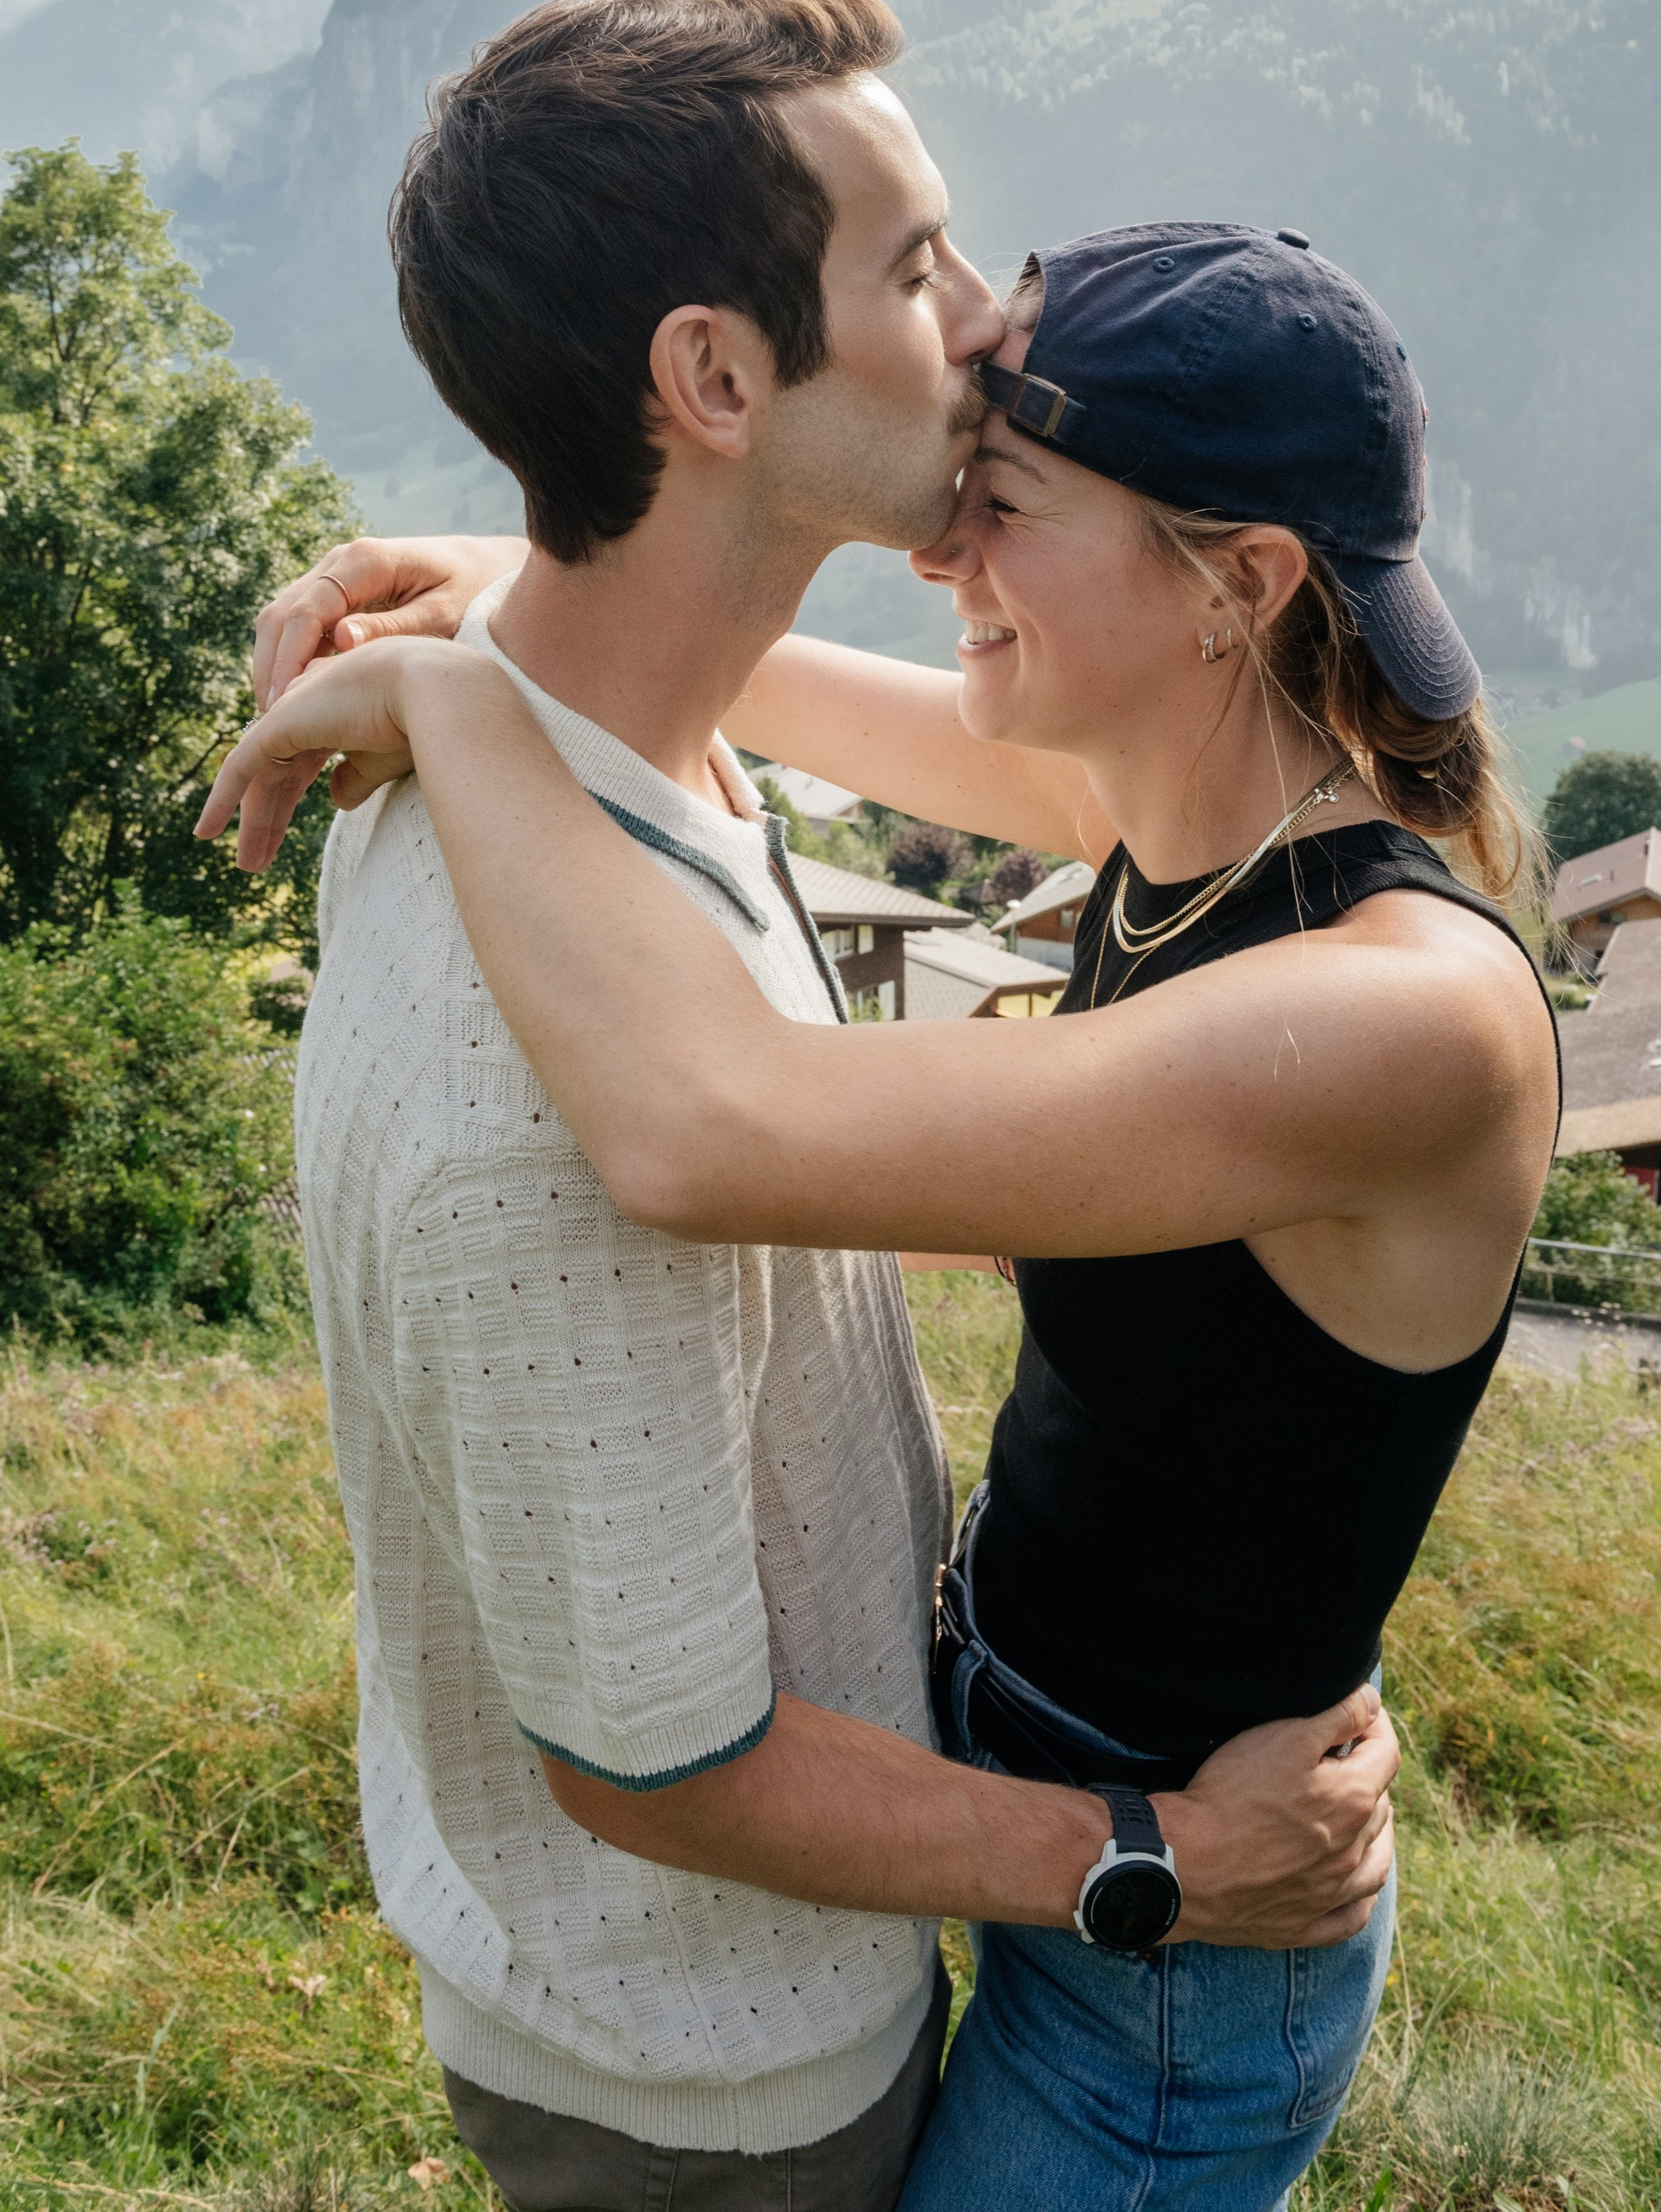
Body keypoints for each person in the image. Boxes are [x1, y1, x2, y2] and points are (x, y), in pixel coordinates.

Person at [215, 163, 1560, 2207]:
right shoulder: (1180, 797)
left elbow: (706, 1129)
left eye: (1002, 504)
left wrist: (458, 706)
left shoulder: (1399, 1015)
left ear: (1240, 579)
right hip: (1053, 1796)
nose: (944, 548)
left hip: (1169, 1998)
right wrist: (504, 578)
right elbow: (762, 677)